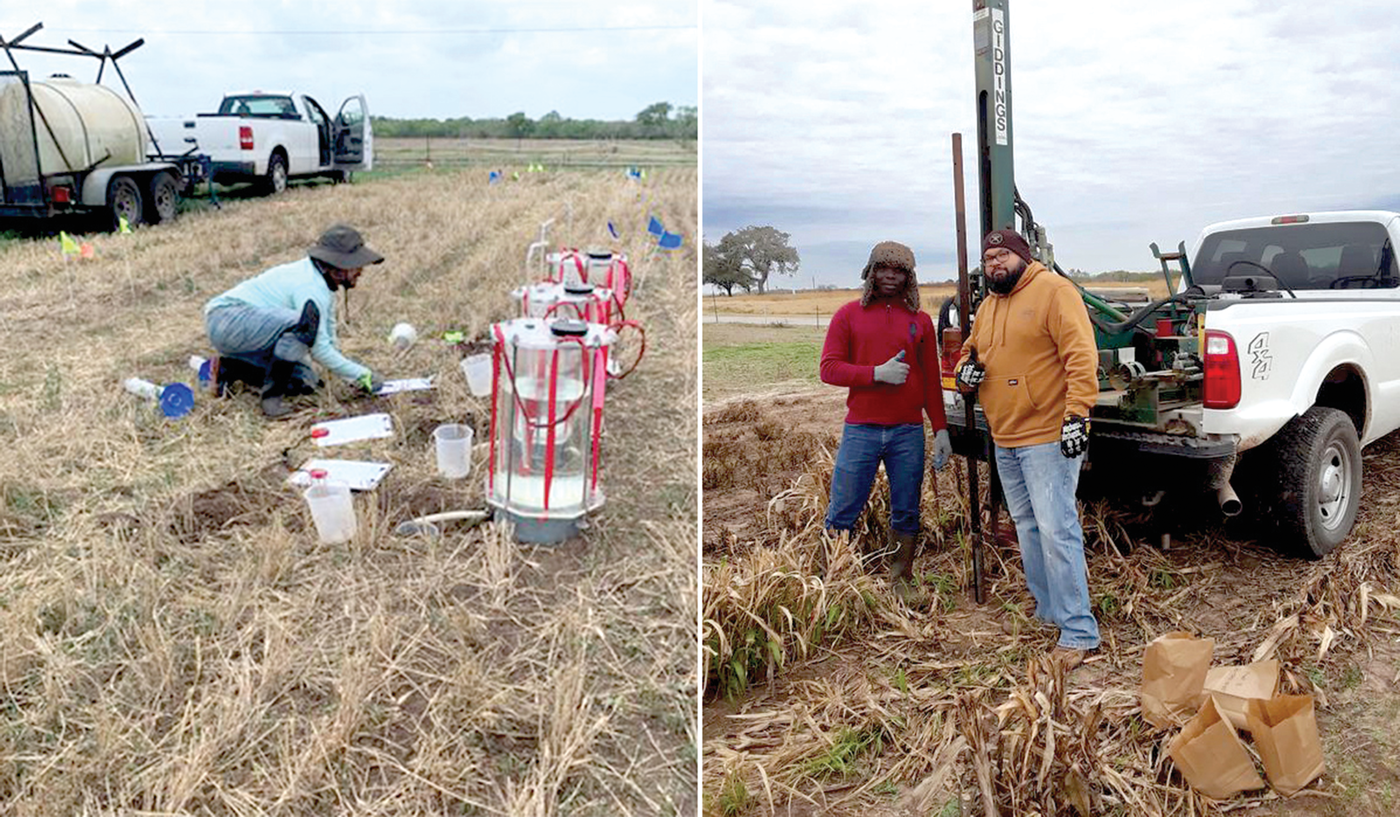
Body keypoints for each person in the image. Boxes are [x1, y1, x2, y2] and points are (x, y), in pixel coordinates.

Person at [953, 228, 1100, 669]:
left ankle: (1079, 632)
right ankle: (1049, 612)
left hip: (1047, 434)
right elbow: (969, 353)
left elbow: (1081, 355)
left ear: (1023, 256)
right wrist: (965, 372)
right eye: (988, 258)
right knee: (1029, 527)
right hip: (1006, 436)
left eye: (1002, 256)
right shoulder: (987, 307)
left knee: (1057, 529)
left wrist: (1078, 414)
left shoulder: (1055, 292)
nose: (994, 264)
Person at [819, 240, 952, 601]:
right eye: (883, 268)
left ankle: (901, 582)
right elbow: (828, 369)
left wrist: (939, 428)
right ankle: (827, 581)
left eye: (899, 270)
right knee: (844, 507)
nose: (890, 276)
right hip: (860, 430)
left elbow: (930, 381)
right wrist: (875, 373)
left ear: (909, 278)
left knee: (907, 509)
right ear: (870, 272)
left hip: (907, 432)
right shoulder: (848, 315)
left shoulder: (920, 321)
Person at [204, 223, 385, 418]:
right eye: (356, 265)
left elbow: (329, 337)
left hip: (249, 331)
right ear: (338, 267)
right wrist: (362, 374)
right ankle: (271, 401)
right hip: (227, 319)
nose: (361, 270)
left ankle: (230, 368)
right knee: (303, 322)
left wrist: (351, 376)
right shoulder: (310, 287)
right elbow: (319, 348)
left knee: (306, 382)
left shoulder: (323, 284)